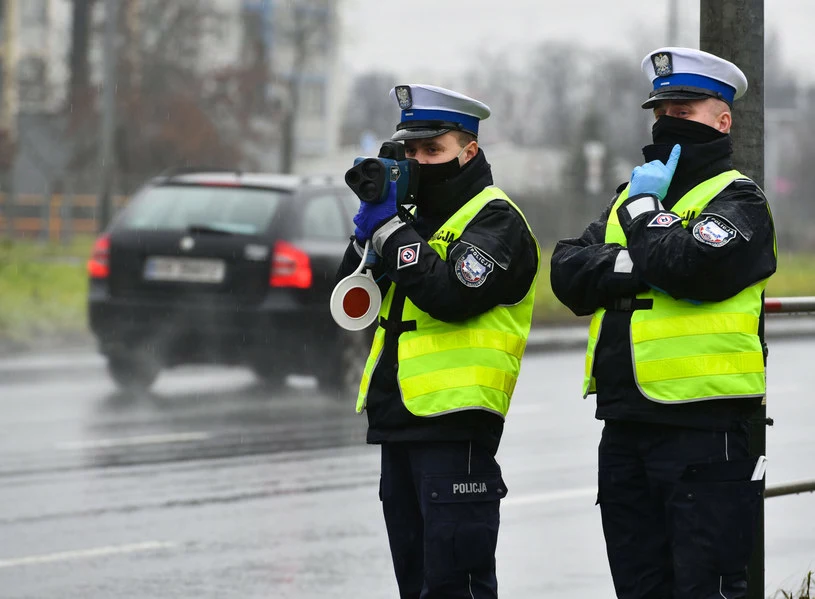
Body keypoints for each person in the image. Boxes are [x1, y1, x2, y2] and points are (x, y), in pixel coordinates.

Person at [550, 47, 778, 598]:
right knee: (639, 586)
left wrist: (647, 219)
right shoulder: (631, 195)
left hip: (707, 429)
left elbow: (687, 268)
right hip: (627, 423)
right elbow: (567, 272)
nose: (669, 120)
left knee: (706, 589)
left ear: (723, 120)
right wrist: (638, 257)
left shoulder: (740, 200)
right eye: (662, 110)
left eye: (686, 109)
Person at [335, 84, 539, 598]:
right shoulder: (407, 221)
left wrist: (389, 234)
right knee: (416, 584)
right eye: (410, 152)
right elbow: (350, 305)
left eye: (433, 151)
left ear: (469, 151)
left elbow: (450, 293)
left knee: (455, 588)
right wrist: (365, 235)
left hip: (456, 427)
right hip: (398, 420)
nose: (419, 163)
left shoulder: (496, 219)